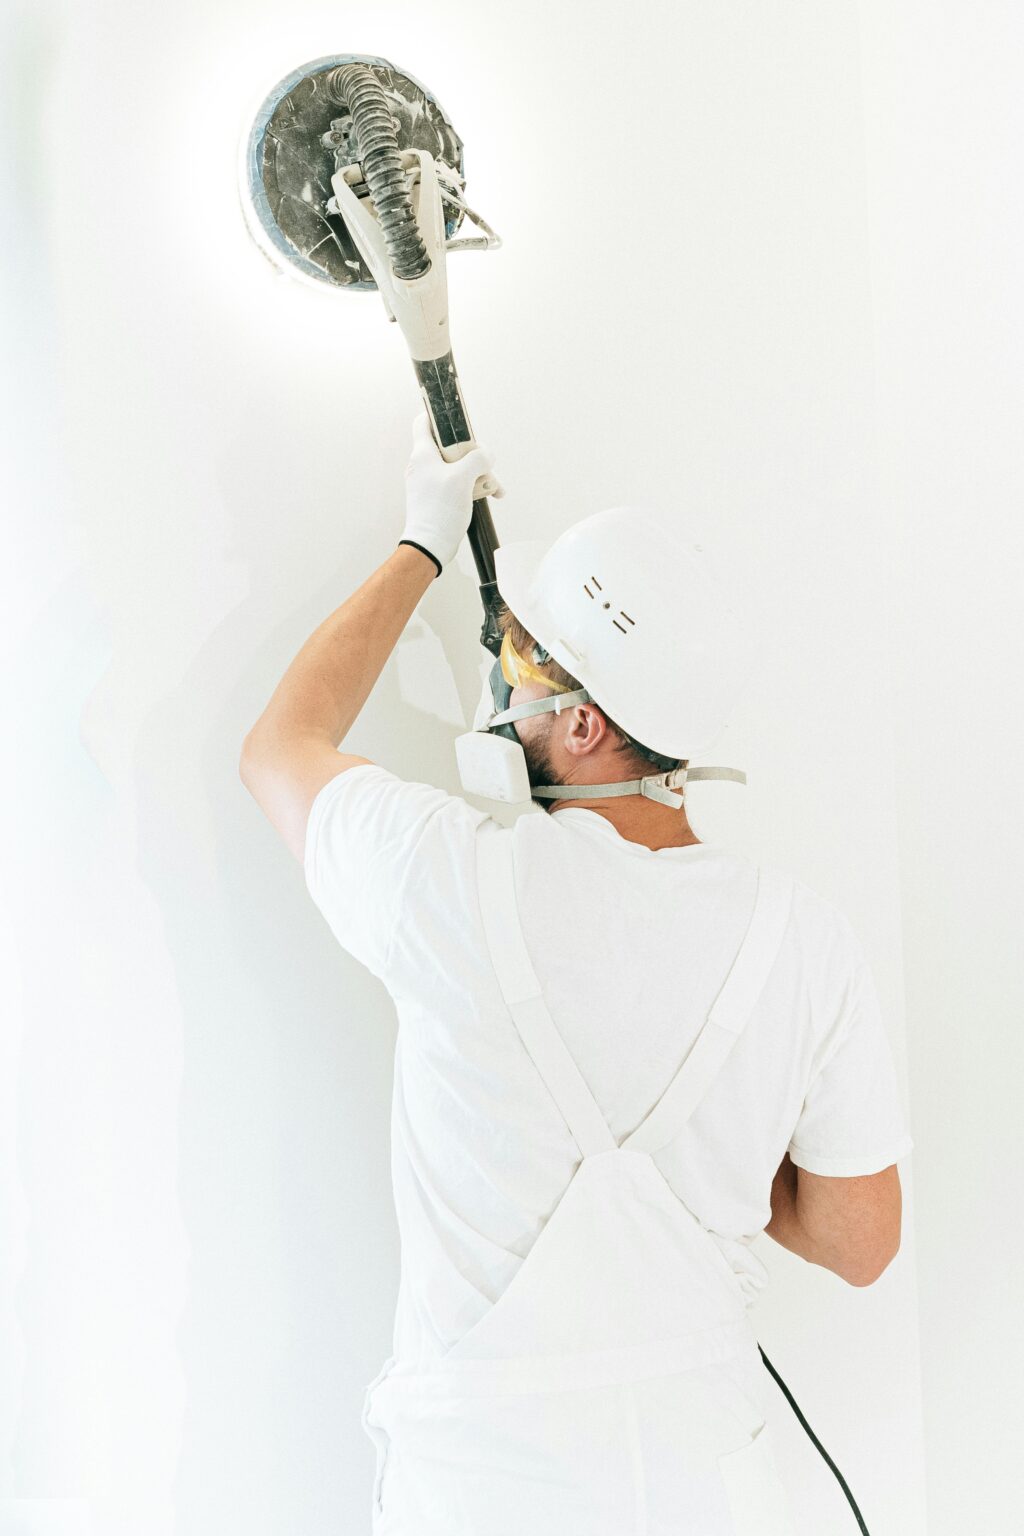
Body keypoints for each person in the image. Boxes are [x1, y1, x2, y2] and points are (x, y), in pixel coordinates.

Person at [240, 410, 913, 1534]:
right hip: (712, 1489)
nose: (499, 694)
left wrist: (419, 545)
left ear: (589, 725)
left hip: (485, 1496)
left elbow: (279, 749)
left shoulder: (444, 875)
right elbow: (860, 1242)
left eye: (518, 664)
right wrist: (718, 1161)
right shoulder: (803, 940)